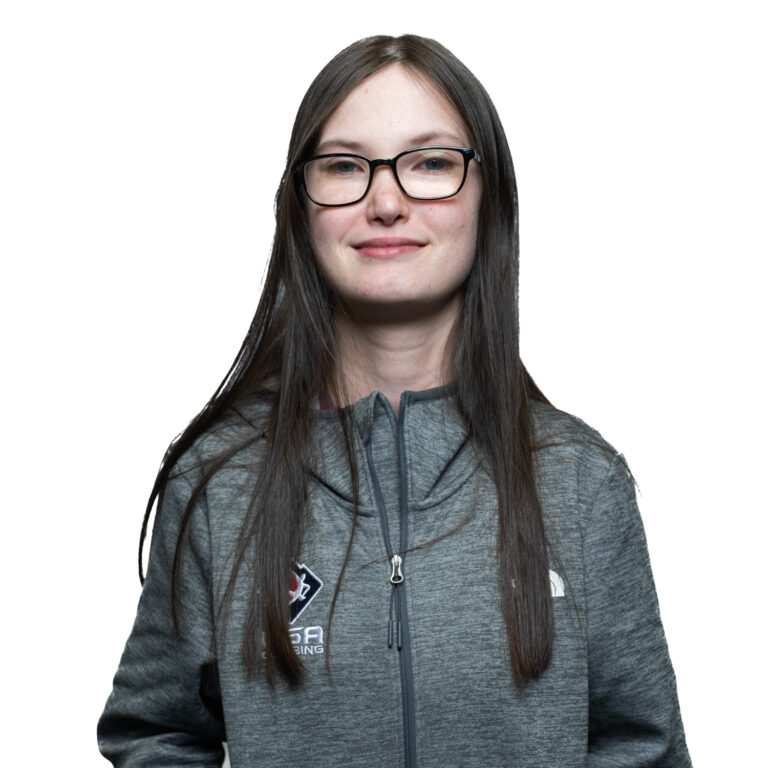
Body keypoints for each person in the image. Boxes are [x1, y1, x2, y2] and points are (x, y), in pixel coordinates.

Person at [98, 34, 692, 767]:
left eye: (431, 163)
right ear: (300, 207)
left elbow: (642, 748)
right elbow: (154, 733)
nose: (386, 202)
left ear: (489, 198)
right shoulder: (220, 481)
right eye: (345, 166)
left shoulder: (580, 481)